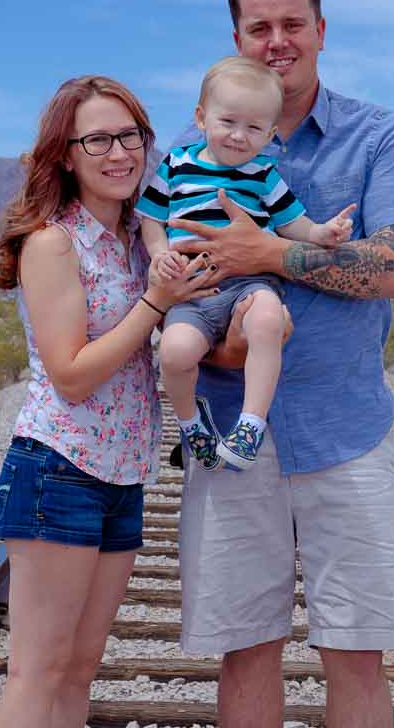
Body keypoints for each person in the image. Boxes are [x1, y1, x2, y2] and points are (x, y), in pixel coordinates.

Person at [172, 0, 394, 728]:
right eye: (258, 29)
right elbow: (155, 262)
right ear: (236, 39)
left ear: (320, 27)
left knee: (356, 650)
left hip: (342, 429)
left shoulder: (377, 137)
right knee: (245, 650)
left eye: (291, 24)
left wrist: (270, 256)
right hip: (228, 429)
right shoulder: (204, 144)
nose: (276, 42)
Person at [0, 75, 216, 728]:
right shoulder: (52, 243)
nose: (118, 153)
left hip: (121, 474)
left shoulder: (135, 238)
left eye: (130, 136)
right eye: (98, 139)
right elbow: (74, 375)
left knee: (80, 667)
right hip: (58, 468)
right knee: (37, 669)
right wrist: (155, 305)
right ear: (66, 152)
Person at [136, 55, 354, 471]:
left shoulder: (264, 175)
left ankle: (249, 424)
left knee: (268, 322)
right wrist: (160, 254)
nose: (239, 136)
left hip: (251, 286)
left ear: (270, 133)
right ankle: (191, 423)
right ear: (202, 118)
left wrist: (323, 234)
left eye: (254, 128)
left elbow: (294, 224)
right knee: (175, 352)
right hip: (193, 291)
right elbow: (151, 217)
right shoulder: (177, 164)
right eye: (228, 122)